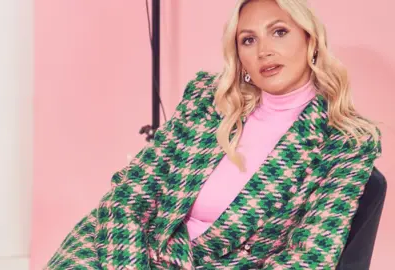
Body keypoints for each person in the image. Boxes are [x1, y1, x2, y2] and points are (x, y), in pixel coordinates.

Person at [45, 0, 382, 269]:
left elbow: (309, 256)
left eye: (279, 32)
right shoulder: (209, 99)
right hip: (126, 246)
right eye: (248, 40)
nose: (264, 49)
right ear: (240, 57)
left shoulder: (346, 143)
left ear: (310, 40)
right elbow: (130, 195)